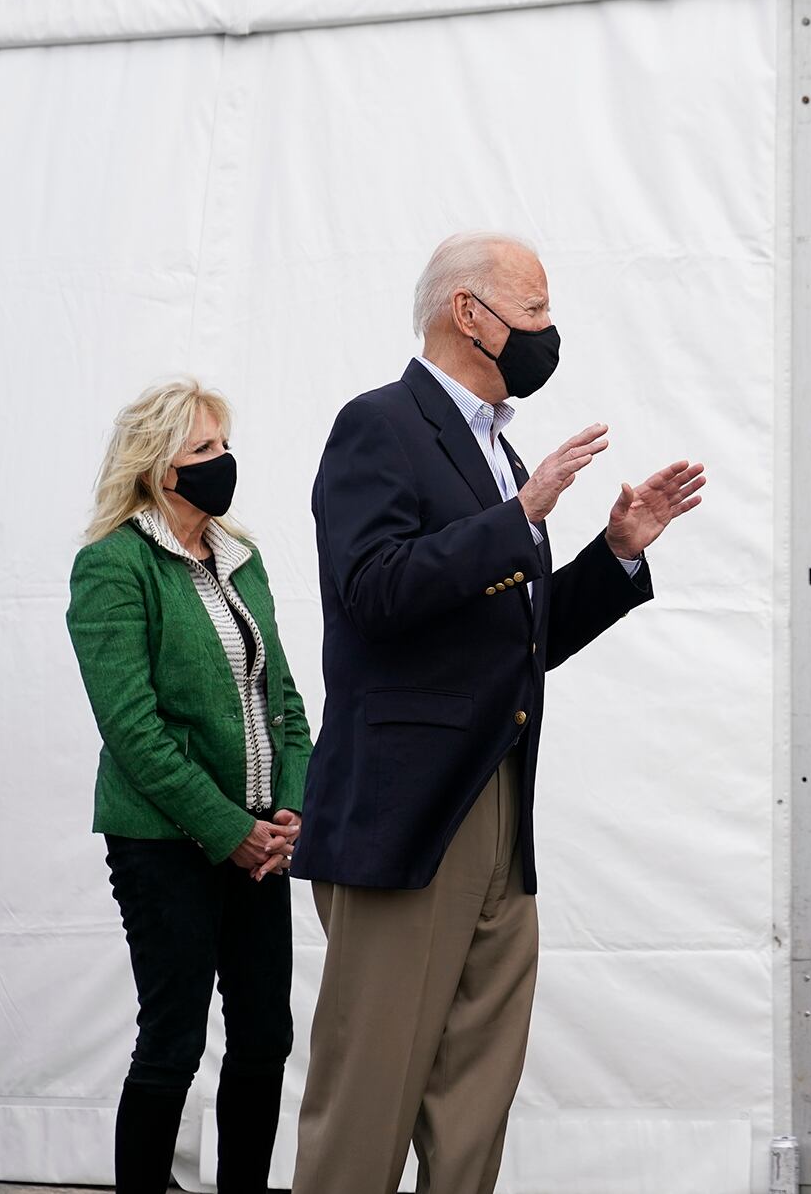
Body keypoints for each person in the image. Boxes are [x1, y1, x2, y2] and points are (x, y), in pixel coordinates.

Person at [291, 232, 706, 1193]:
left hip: (497, 810)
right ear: (467, 313)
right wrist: (515, 515)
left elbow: (519, 640)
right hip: (405, 822)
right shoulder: (379, 426)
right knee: (370, 1095)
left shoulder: (499, 453)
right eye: (534, 313)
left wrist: (616, 551)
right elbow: (371, 589)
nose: (548, 334)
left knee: (475, 1095)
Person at [66, 380, 312, 1194]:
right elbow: (132, 729)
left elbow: (282, 698)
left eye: (222, 444)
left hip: (257, 839)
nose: (222, 461)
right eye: (202, 449)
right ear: (156, 466)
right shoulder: (112, 565)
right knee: (172, 1034)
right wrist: (227, 828)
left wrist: (288, 806)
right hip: (161, 841)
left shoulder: (241, 558)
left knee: (264, 1034)